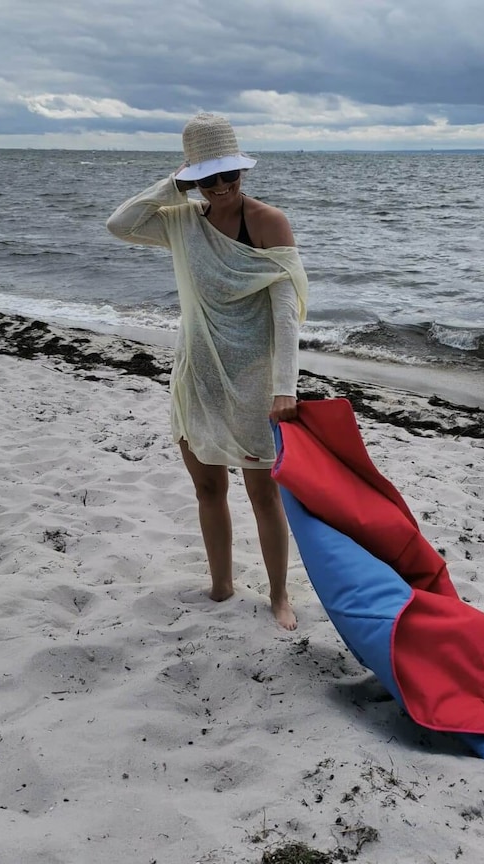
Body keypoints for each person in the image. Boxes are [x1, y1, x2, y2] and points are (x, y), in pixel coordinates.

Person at [106, 113, 308, 630]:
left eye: (230, 175)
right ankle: (221, 583)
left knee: (264, 495)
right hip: (197, 372)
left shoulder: (268, 222)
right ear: (192, 178)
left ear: (243, 172)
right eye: (208, 177)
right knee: (208, 488)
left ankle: (279, 595)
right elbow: (121, 223)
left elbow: (285, 314)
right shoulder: (182, 220)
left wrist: (285, 388)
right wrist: (172, 183)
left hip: (255, 380)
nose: (221, 186)